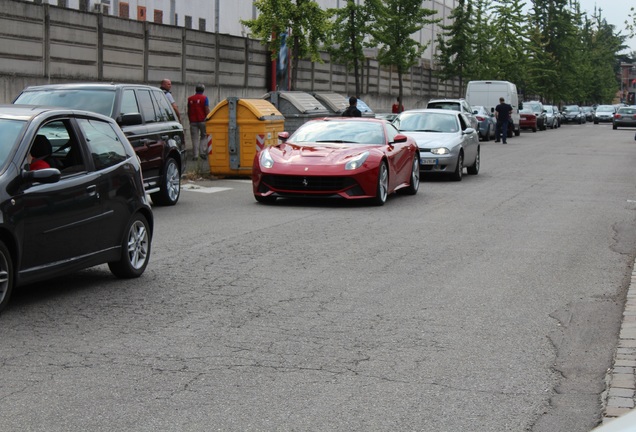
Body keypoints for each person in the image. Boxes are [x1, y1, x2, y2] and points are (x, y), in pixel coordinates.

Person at [187, 84, 211, 160]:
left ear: (196, 90)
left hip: (193, 121)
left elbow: (188, 110)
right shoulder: (204, 98)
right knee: (204, 136)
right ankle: (202, 152)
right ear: (203, 90)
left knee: (194, 138)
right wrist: (208, 117)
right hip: (202, 120)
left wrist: (190, 119)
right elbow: (206, 109)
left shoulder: (190, 99)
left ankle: (195, 155)